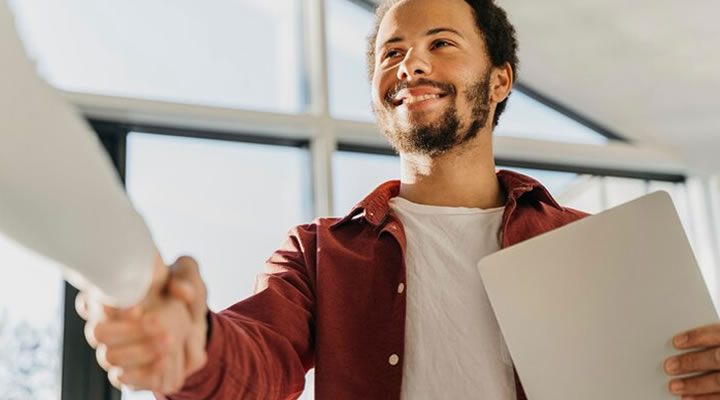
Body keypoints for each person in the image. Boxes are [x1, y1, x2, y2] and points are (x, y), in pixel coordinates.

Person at [81, 0, 720, 398]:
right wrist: (190, 345)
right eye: (393, 52)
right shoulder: (320, 253)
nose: (410, 63)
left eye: (441, 42)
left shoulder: (589, 244)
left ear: (500, 80)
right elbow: (259, 357)